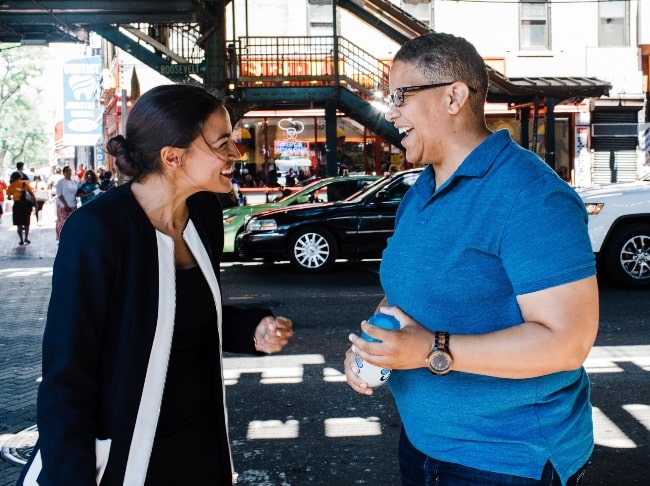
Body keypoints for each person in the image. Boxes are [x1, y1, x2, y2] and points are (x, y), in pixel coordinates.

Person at [344, 32, 599, 486]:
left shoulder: (531, 196)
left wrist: (431, 350)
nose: (391, 111)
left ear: (454, 97)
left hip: (506, 460)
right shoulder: (421, 189)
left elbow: (567, 342)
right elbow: (406, 294)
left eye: (400, 95)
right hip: (423, 444)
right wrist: (374, 345)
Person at [18, 84, 294, 486]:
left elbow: (174, 315)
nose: (237, 153)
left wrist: (250, 328)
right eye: (222, 143)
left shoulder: (203, 214)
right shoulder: (97, 230)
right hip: (127, 451)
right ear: (172, 157)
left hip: (201, 442)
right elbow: (68, 371)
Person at [6, 171, 35, 245]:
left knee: (19, 224)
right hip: (26, 205)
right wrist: (35, 203)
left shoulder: (11, 186)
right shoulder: (25, 183)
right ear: (20, 177)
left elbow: (9, 197)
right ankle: (26, 238)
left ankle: (21, 240)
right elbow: (31, 193)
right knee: (27, 223)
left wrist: (15, 195)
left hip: (17, 205)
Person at [54, 165, 78, 241]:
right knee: (62, 223)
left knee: (72, 222)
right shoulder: (61, 182)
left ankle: (71, 237)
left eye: (70, 171)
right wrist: (65, 204)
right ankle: (61, 238)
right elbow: (59, 194)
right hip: (63, 206)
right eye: (67, 171)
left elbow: (77, 192)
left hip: (73, 205)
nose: (69, 172)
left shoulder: (74, 181)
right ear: (64, 173)